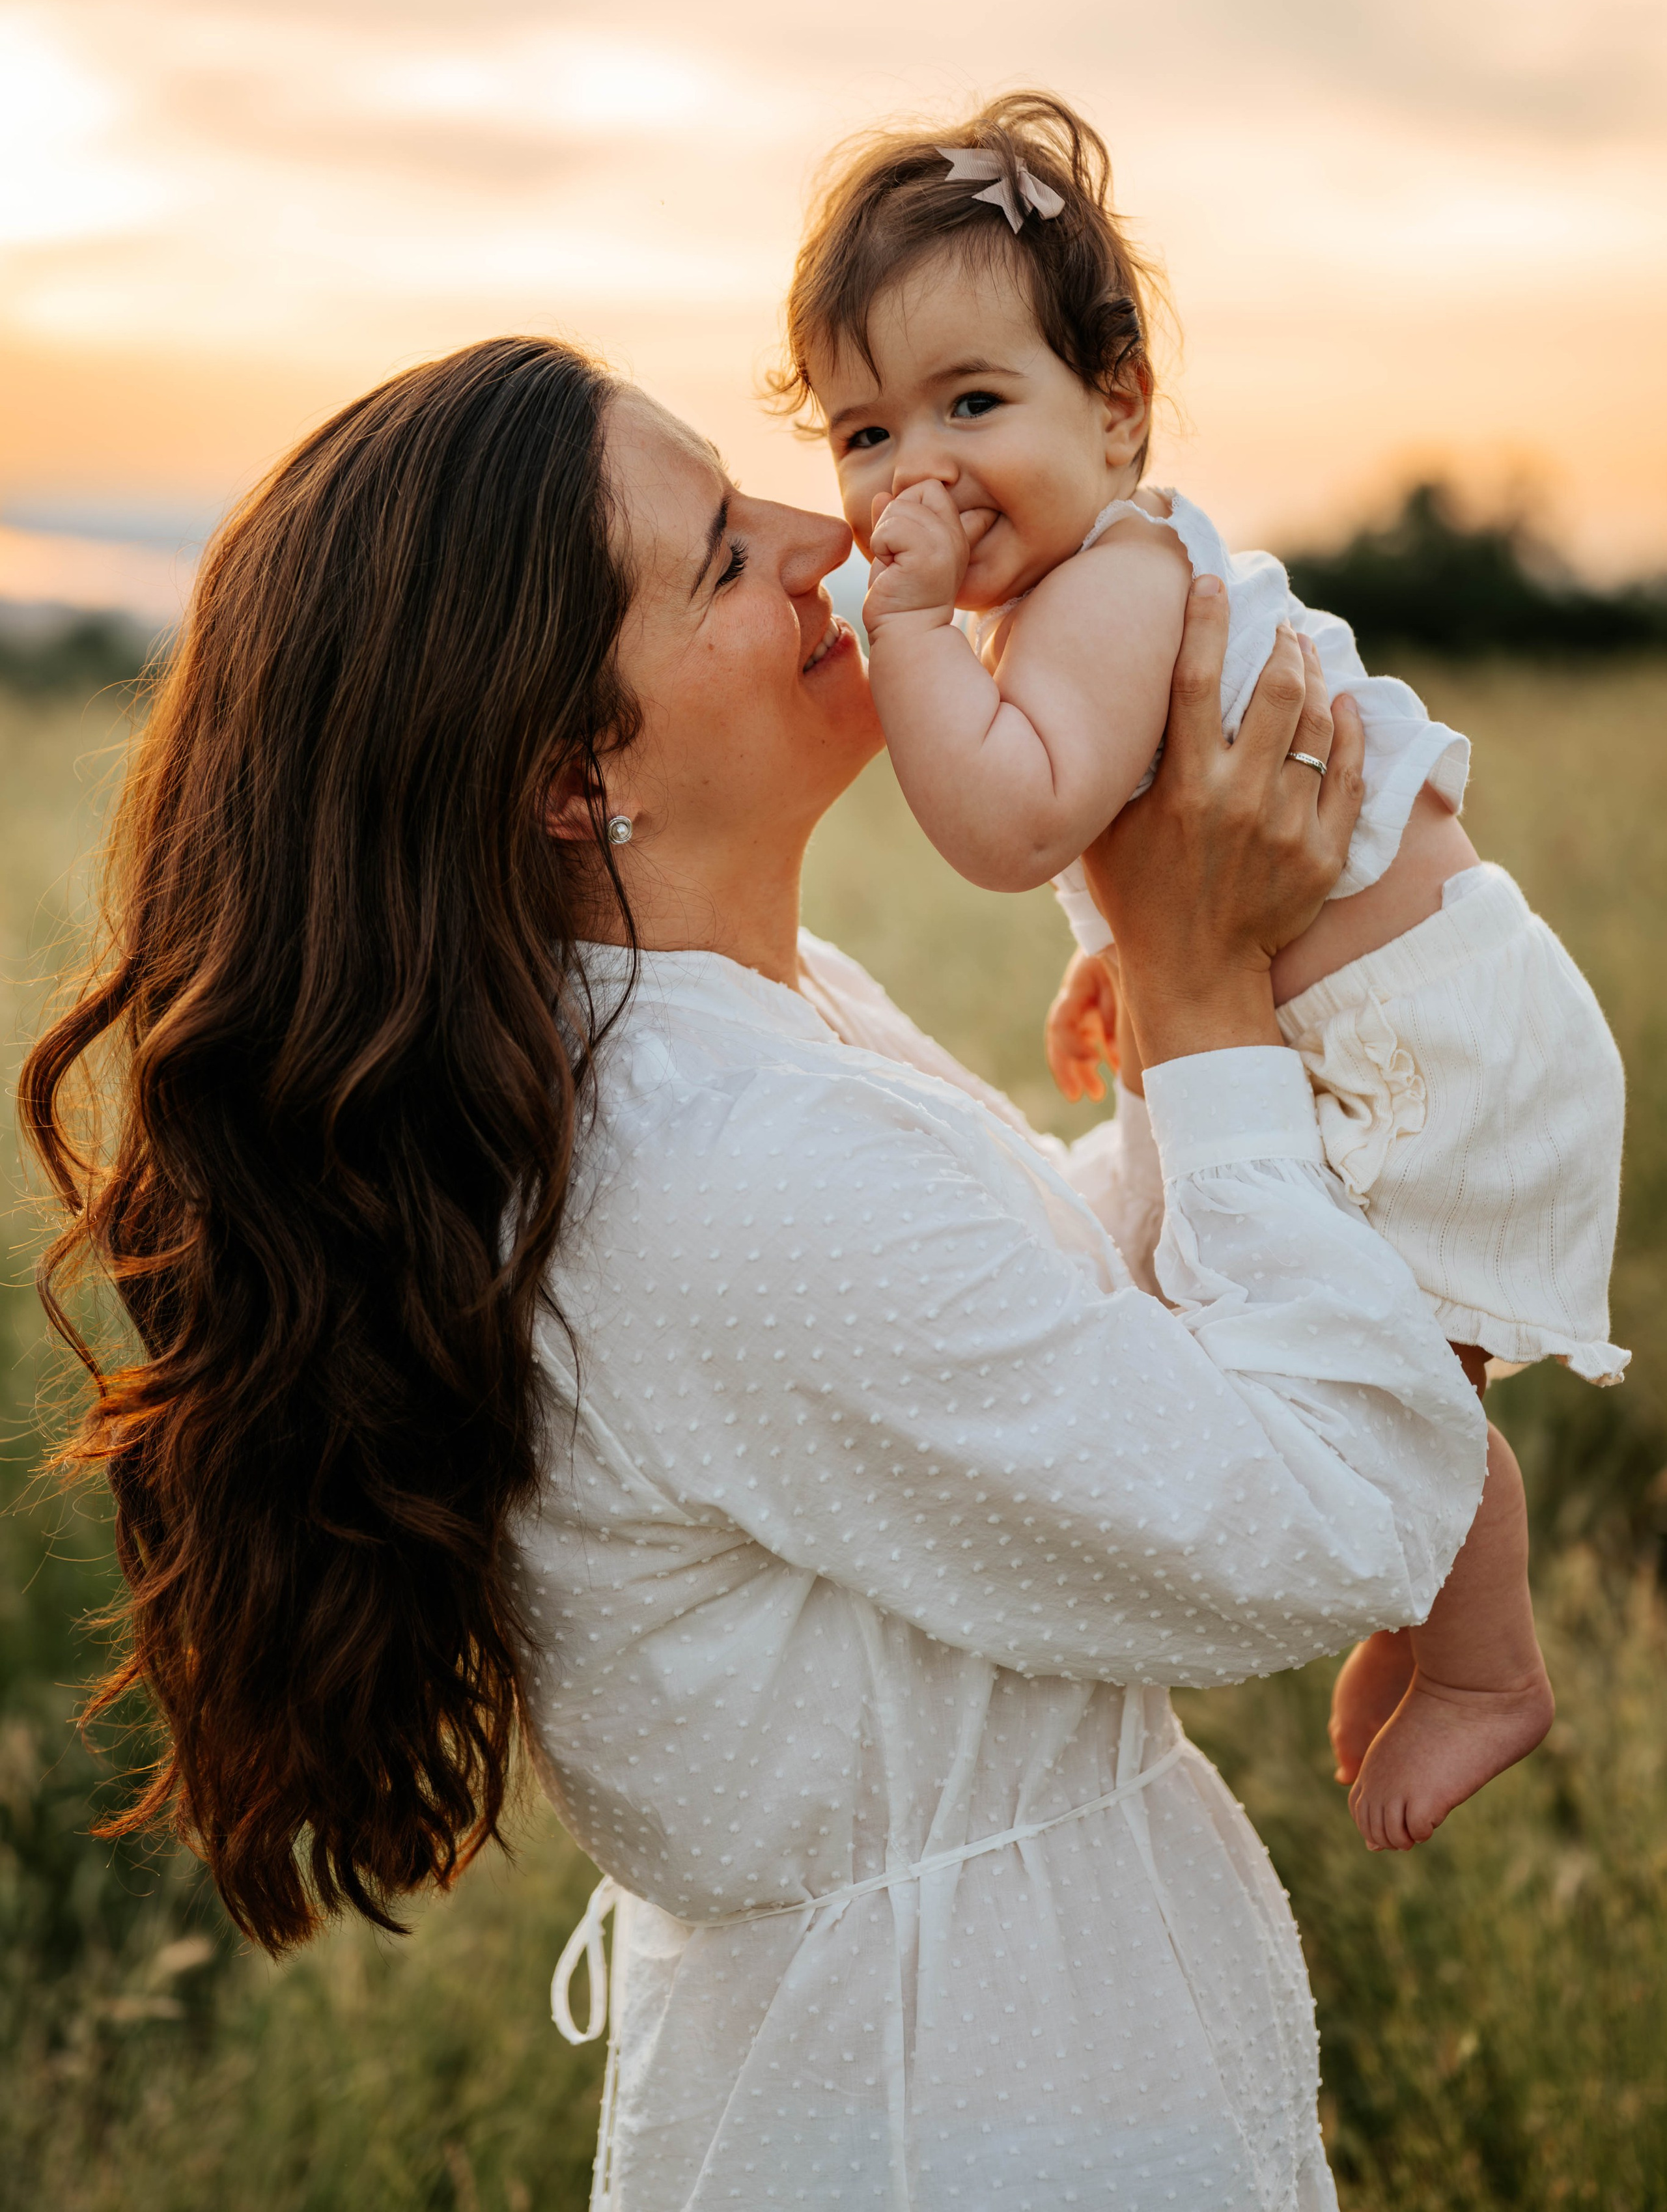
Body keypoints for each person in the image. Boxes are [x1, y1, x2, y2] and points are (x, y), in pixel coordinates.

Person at [27, 334, 1489, 2211]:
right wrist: (1206, 1006)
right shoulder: (719, 1176)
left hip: (970, 2053)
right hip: (966, 2117)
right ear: (571, 777)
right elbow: (1328, 1523)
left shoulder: (711, 1038)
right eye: (720, 550)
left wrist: (1273, 968)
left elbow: (1026, 1314)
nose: (836, 532)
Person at [774, 90, 1626, 1855]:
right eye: (862, 435)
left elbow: (1017, 822)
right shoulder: (1086, 584)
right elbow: (1133, 844)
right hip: (1378, 1006)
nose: (910, 472)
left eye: (973, 404)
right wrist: (1123, 969)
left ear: (1120, 409)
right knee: (1375, 1348)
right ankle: (1434, 1633)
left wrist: (912, 628)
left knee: (1392, 1364)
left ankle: (1483, 1665)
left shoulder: (1109, 583)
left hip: (1421, 1035)